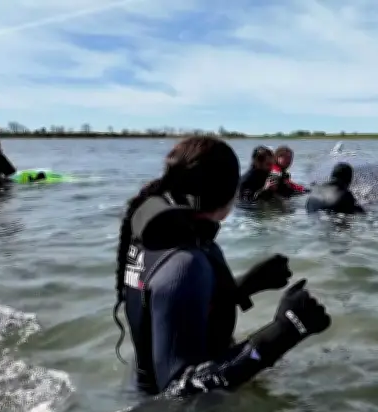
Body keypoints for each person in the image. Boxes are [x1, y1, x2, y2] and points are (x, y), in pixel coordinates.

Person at [113, 136, 331, 396]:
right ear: (229, 195)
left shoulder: (159, 236)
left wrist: (243, 287)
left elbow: (166, 306)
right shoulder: (186, 264)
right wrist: (287, 329)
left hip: (144, 388)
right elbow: (179, 393)